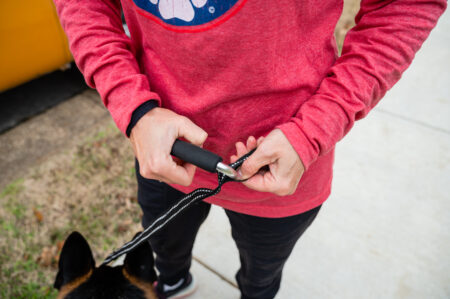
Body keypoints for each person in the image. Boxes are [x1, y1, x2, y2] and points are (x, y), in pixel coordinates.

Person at [54, 0, 446, 298]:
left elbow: (406, 5)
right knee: (166, 251)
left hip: (284, 172)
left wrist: (313, 129)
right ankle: (173, 280)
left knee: (261, 274)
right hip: (168, 156)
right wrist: (135, 108)